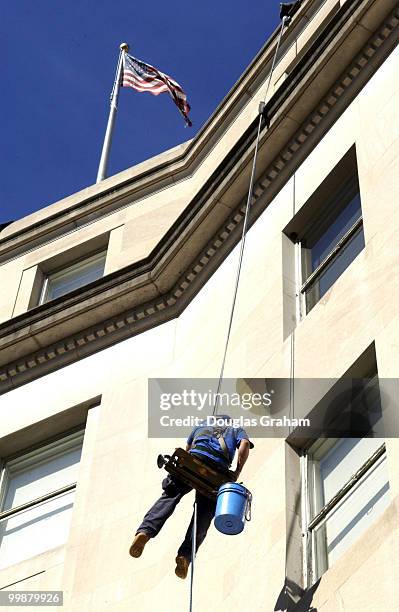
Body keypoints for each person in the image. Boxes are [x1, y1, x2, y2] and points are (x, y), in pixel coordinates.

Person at [129, 415, 253, 579]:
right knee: (204, 514)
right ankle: (185, 556)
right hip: (217, 472)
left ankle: (145, 531)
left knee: (170, 495)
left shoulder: (201, 424)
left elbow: (188, 447)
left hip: (193, 460)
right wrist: (237, 471)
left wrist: (185, 467)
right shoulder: (236, 429)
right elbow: (244, 445)